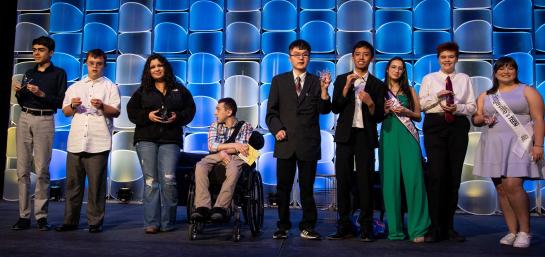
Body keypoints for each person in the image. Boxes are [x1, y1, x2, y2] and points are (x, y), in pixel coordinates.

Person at [472, 57, 544, 248]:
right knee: (501, 188)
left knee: (513, 184)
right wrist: (482, 118)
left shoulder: (528, 91)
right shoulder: (486, 95)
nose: (506, 72)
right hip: (493, 143)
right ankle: (512, 231)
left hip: (520, 143)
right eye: (502, 68)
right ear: (495, 72)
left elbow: (538, 119)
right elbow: (477, 118)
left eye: (510, 68)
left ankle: (525, 232)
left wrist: (538, 145)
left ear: (516, 71)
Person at [266, 39, 331, 240]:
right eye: (297, 54)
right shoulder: (279, 80)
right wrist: (277, 129)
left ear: (309, 57)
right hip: (285, 143)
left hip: (308, 143)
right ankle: (283, 226)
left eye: (304, 54)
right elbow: (271, 113)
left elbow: (324, 110)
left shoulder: (316, 81)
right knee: (283, 188)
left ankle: (308, 226)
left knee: (307, 188)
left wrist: (324, 90)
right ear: (290, 57)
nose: (301, 58)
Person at [127, 54, 196, 234]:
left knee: (169, 180)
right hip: (146, 139)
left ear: (165, 68)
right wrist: (147, 116)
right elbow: (131, 112)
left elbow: (190, 109)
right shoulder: (143, 91)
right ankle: (151, 222)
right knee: (151, 181)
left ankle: (168, 222)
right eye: (152, 67)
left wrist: (177, 117)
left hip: (170, 140)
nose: (156, 69)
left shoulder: (179, 90)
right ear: (148, 71)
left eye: (159, 65)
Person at [54, 49, 120, 233]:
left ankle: (95, 222)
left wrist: (102, 106)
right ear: (86, 64)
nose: (95, 67)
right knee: (73, 185)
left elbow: (116, 111)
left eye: (99, 64)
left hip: (98, 141)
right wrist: (73, 106)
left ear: (104, 65)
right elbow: (66, 112)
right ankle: (70, 221)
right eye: (92, 63)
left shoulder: (110, 87)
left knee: (96, 186)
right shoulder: (76, 86)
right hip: (76, 141)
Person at [327, 41, 385, 242]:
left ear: (371, 58)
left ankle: (366, 226)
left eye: (366, 54)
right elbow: (335, 108)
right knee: (343, 181)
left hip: (365, 137)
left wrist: (370, 103)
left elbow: (379, 116)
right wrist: (345, 88)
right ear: (353, 57)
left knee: (365, 182)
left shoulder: (378, 84)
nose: (361, 57)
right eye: (358, 54)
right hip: (344, 136)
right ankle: (344, 225)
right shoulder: (342, 79)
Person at [419, 42, 476, 242]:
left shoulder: (464, 79)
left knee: (454, 177)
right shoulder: (429, 78)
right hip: (435, 125)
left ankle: (449, 227)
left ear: (456, 59)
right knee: (436, 176)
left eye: (451, 57)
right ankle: (435, 227)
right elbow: (422, 105)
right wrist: (438, 95)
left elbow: (472, 106)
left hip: (457, 125)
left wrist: (458, 108)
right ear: (438, 59)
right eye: (443, 57)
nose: (447, 60)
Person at [11, 36, 67, 231]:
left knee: (42, 169)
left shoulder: (59, 73)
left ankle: (41, 216)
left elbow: (60, 102)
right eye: (34, 49)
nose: (36, 52)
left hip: (44, 119)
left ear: (50, 52)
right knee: (22, 170)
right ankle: (23, 216)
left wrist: (41, 94)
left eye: (40, 49)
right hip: (25, 117)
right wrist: (19, 92)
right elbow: (21, 101)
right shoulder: (29, 72)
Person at [379, 57, 430, 243]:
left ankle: (418, 229)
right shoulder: (380, 91)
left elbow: (417, 116)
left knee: (414, 182)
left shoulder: (410, 91)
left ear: (403, 72)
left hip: (409, 138)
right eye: (393, 67)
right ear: (387, 70)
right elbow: (374, 115)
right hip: (389, 136)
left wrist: (406, 112)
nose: (397, 71)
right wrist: (383, 110)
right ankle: (395, 231)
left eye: (400, 68)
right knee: (390, 184)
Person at [190, 98, 253, 222]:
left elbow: (243, 148)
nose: (215, 113)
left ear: (229, 112)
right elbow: (211, 146)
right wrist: (232, 146)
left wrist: (225, 150)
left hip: (236, 157)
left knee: (233, 169)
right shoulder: (215, 125)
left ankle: (220, 208)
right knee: (200, 166)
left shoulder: (246, 126)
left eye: (218, 109)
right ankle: (203, 207)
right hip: (217, 156)